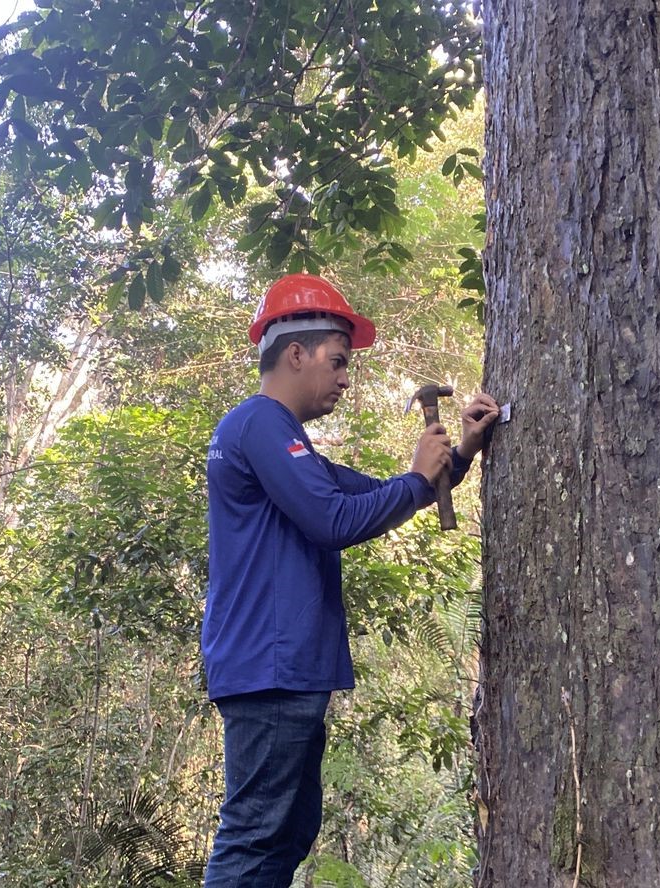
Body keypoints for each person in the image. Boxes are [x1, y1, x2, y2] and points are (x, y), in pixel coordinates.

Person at [201, 273, 499, 886]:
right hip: (270, 668)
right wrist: (418, 481)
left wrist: (459, 453)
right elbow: (332, 519)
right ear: (294, 354)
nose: (344, 377)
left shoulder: (289, 444)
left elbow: (378, 495)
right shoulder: (259, 424)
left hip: (284, 669)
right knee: (257, 834)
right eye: (337, 361)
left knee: (287, 832)